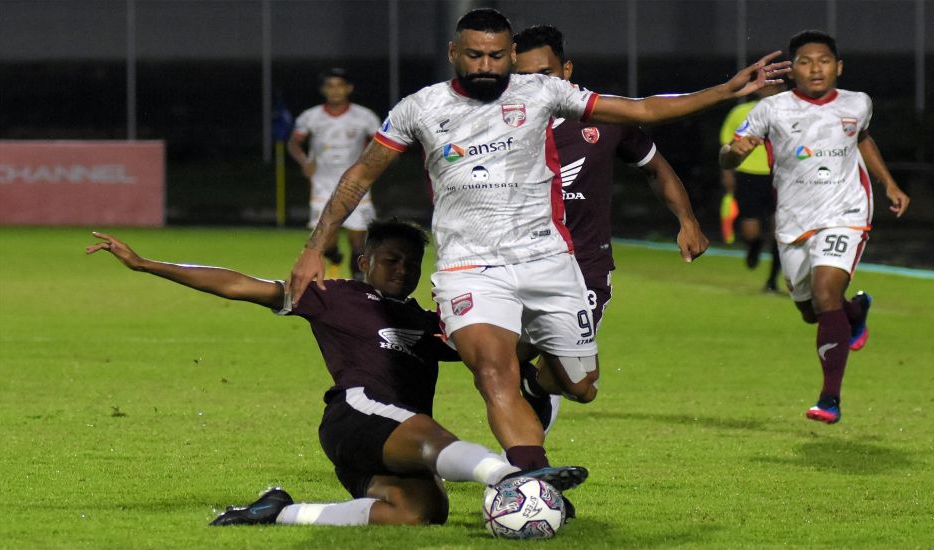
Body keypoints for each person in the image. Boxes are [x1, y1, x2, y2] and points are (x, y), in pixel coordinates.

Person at [287, 8, 789, 471]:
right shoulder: (420, 107)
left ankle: (539, 384)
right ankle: (531, 479)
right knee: (492, 371)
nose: (487, 64)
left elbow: (642, 111)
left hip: (548, 261)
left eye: (497, 55)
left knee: (581, 386)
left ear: (509, 55)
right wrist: (315, 247)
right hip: (471, 267)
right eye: (475, 54)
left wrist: (725, 91)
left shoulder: (542, 95)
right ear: (453, 53)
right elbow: (359, 175)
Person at [85, 220, 587, 527]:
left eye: (412, 264)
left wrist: (555, 337)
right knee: (432, 436)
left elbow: (498, 355)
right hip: (357, 417)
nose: (403, 271)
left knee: (420, 513)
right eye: (391, 260)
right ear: (365, 261)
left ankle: (279, 512)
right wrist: (148, 264)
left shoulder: (426, 323)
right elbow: (239, 284)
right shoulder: (336, 296)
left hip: (390, 442)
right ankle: (516, 480)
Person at [511, 24, 709, 429]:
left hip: (583, 266)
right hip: (518, 262)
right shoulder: (501, 123)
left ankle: (533, 394)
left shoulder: (603, 117)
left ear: (566, 70)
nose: (533, 86)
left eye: (544, 75)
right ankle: (522, 465)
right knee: (499, 357)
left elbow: (655, 167)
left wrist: (687, 220)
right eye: (522, 77)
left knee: (574, 378)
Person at [719, 30, 910, 424]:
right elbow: (729, 155)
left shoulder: (858, 103)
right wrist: (732, 154)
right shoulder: (772, 110)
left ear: (838, 66)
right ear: (793, 70)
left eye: (823, 61)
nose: (815, 68)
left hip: (846, 212)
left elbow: (863, 138)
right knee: (813, 311)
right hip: (793, 220)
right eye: (805, 62)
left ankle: (829, 399)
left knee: (825, 295)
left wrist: (888, 183)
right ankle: (856, 312)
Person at [287, 68, 381, 280]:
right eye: (330, 86)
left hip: (357, 186)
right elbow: (294, 143)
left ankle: (357, 288)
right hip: (323, 186)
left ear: (349, 88)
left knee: (358, 245)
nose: (335, 91)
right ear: (323, 90)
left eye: (339, 86)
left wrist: (373, 167)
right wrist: (304, 162)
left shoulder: (365, 117)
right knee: (325, 243)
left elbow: (381, 147)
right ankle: (334, 256)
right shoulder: (311, 117)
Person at [719, 84, 783, 292]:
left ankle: (772, 281)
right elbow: (727, 145)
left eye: (777, 87)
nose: (771, 91)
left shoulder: (789, 112)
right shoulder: (740, 113)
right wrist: (727, 174)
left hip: (781, 176)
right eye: (767, 87)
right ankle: (754, 246)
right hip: (748, 176)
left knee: (780, 230)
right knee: (750, 228)